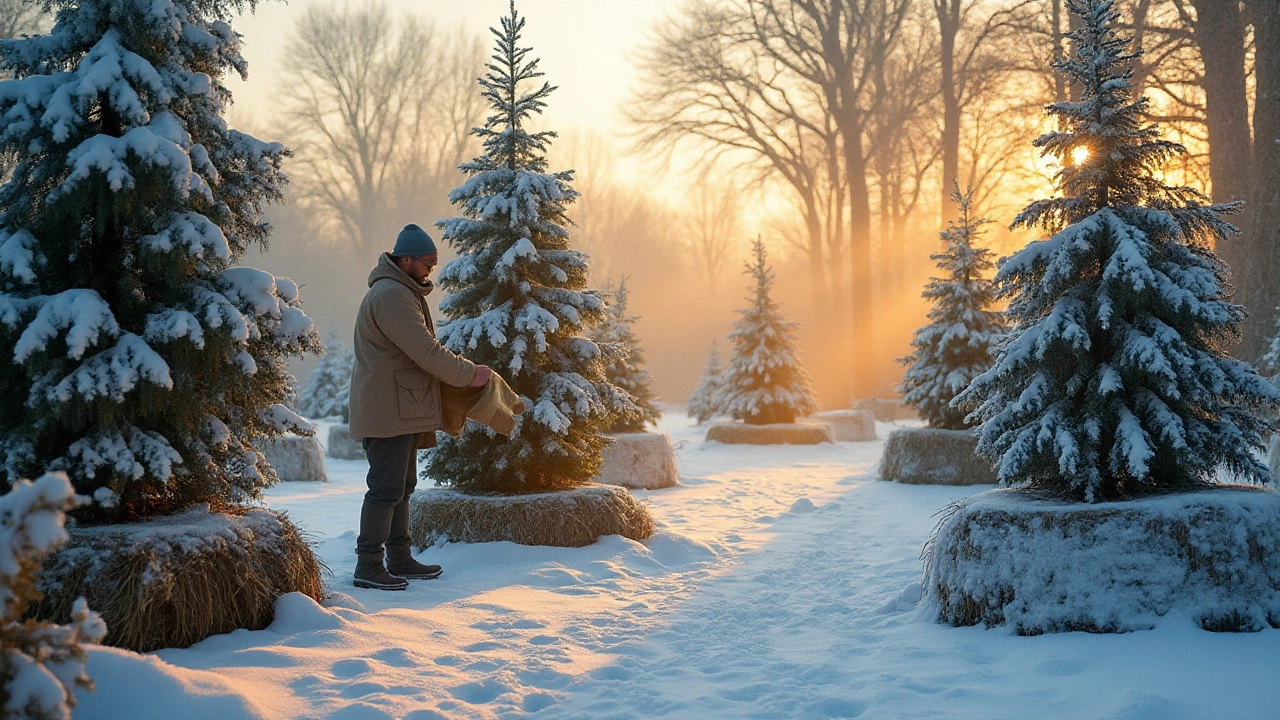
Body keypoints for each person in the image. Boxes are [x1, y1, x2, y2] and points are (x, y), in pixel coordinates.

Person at [347, 223, 492, 590]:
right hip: (388, 410)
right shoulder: (392, 295)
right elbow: (425, 351)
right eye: (427, 262)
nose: (431, 269)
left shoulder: (402, 291)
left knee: (403, 485)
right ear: (406, 259)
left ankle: (398, 558)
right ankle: (368, 565)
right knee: (385, 488)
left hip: (400, 407)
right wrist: (468, 374)